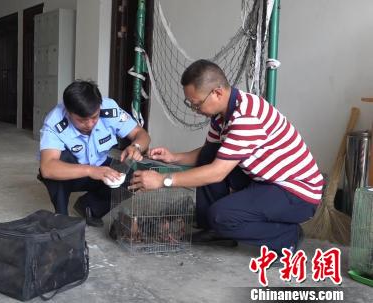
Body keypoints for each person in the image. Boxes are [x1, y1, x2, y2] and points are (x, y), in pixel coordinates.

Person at [129, 59, 323, 254]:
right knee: (209, 154)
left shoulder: (246, 117)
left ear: (217, 93)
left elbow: (217, 172)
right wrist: (174, 158)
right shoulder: (222, 114)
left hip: (297, 192)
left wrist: (163, 180)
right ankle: (215, 232)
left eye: (197, 105)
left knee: (222, 216)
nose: (196, 111)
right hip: (265, 180)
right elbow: (211, 153)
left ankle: (287, 237)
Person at [38, 80, 151, 227]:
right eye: (82, 120)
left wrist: (136, 146)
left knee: (133, 177)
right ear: (68, 112)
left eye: (94, 117)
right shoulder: (55, 121)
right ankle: (62, 217)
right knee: (60, 162)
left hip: (99, 165)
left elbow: (142, 134)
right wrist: (90, 171)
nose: (90, 124)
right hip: (73, 173)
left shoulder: (110, 109)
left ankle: (90, 208)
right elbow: (47, 168)